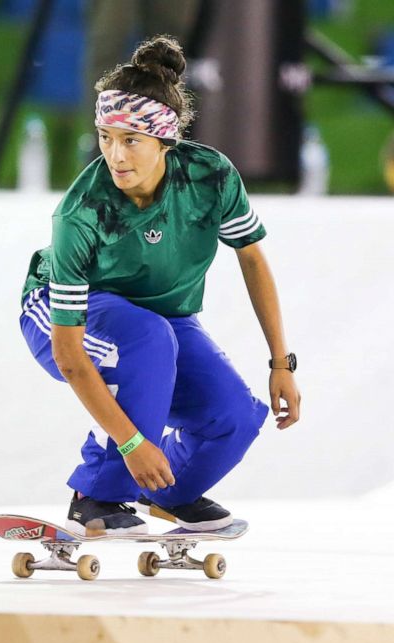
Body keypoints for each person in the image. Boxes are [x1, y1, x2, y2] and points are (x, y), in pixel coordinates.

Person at [19, 35, 301, 536]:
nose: (115, 155)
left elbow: (253, 259)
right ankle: (96, 494)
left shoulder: (210, 176)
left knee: (234, 415)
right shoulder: (83, 211)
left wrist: (281, 362)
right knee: (148, 340)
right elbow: (68, 354)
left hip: (161, 321)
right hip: (63, 316)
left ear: (164, 142)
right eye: (106, 136)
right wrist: (130, 444)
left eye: (131, 140)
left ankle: (169, 492)